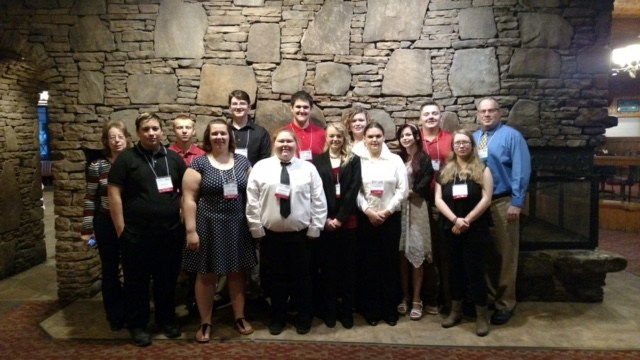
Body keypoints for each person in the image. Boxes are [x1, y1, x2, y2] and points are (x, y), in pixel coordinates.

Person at [108, 112, 187, 347]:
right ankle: (138, 325)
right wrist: (121, 230)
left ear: (162, 131)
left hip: (170, 233)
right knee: (136, 283)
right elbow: (114, 194)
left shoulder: (173, 159)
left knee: (166, 280)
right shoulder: (126, 160)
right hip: (136, 235)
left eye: (155, 128)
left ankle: (166, 320)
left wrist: (182, 223)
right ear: (138, 133)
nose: (151, 133)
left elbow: (185, 193)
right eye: (146, 129)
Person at [246, 128, 327, 336]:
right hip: (270, 236)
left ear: (296, 145)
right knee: (274, 280)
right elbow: (252, 200)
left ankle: (303, 317)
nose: (285, 145)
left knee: (303, 279)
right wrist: (256, 229)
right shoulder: (261, 168)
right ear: (274, 143)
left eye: (289, 142)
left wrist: (315, 228)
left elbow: (318, 200)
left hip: (301, 236)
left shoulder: (308, 168)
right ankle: (278, 317)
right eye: (281, 141)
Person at [182, 120, 257, 343]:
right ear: (208, 137)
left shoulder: (243, 162)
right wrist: (191, 231)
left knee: (237, 273)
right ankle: (205, 321)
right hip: (208, 226)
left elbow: (254, 194)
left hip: (238, 225)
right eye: (214, 134)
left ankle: (240, 317)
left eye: (223, 133)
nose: (219, 137)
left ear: (230, 137)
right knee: (206, 275)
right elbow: (188, 200)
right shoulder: (199, 164)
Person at [473, 97, 531, 326]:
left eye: (491, 111)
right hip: (478, 204)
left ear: (499, 113)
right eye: (483, 111)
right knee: (484, 254)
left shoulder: (512, 137)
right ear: (477, 115)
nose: (487, 115)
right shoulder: (474, 138)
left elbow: (521, 169)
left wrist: (517, 201)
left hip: (502, 202)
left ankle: (505, 304)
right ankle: (488, 298)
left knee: (505, 255)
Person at [435, 129, 494, 337]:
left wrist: (467, 220)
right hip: (450, 227)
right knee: (454, 271)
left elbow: (487, 198)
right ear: (453, 147)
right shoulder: (445, 170)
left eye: (465, 142)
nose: (461, 146)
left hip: (475, 228)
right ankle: (455, 311)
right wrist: (455, 220)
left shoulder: (483, 169)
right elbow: (438, 199)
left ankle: (481, 316)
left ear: (472, 145)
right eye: (457, 143)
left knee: (476, 272)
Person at [80, 120, 131, 331]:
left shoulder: (135, 162)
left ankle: (132, 310)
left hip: (132, 222)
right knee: (109, 269)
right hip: (106, 222)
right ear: (106, 141)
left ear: (127, 138)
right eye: (112, 137)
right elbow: (90, 197)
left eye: (120, 136)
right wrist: (87, 229)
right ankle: (114, 314)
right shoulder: (97, 166)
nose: (117, 141)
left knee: (133, 269)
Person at [356, 122, 408, 327]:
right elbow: (355, 191)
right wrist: (368, 211)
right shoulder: (358, 161)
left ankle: (389, 310)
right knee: (369, 265)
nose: (374, 140)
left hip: (390, 219)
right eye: (370, 137)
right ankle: (372, 310)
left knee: (389, 264)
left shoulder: (395, 160)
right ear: (365, 139)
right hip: (366, 219)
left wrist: (386, 212)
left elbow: (402, 190)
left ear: (384, 137)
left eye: (378, 136)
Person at [314, 122, 362, 329]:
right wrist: (325, 219)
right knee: (328, 269)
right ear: (327, 138)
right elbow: (316, 192)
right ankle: (330, 311)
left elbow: (352, 190)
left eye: (339, 137)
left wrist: (340, 219)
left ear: (344, 139)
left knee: (348, 270)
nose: (335, 140)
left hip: (347, 223)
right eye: (332, 136)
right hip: (325, 224)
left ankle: (347, 311)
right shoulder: (318, 161)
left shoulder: (353, 160)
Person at [396, 123, 436, 321]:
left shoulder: (424, 158)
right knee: (402, 253)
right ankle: (404, 296)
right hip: (399, 209)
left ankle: (417, 300)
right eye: (402, 135)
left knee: (416, 253)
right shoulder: (397, 158)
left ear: (416, 137)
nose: (405, 138)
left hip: (418, 209)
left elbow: (424, 186)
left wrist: (402, 193)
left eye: (409, 134)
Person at [419, 100, 454, 313]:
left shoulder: (450, 140)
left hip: (447, 203)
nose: (431, 117)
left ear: (440, 116)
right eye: (426, 114)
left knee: (445, 253)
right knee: (425, 251)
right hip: (421, 202)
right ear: (420, 118)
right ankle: (427, 297)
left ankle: (447, 299)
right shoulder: (414, 139)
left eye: (434, 113)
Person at [228, 90, 272, 166]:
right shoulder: (222, 131)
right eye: (235, 104)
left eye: (242, 103)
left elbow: (265, 162)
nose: (238, 107)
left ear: (249, 107)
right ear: (229, 108)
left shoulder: (261, 133)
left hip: (252, 176)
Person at [282, 90, 326, 161]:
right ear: (291, 108)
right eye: (298, 107)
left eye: (305, 107)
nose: (302, 111)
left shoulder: (322, 133)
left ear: (311, 109)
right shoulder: (283, 133)